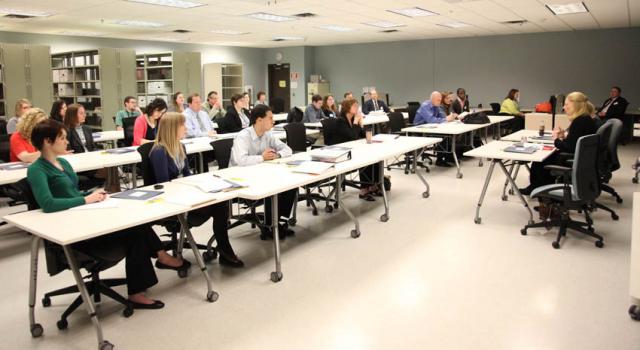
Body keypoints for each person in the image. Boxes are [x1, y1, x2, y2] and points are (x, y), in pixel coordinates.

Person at [27, 119, 188, 309]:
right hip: (70, 230)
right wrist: (85, 200)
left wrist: (93, 195)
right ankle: (139, 289)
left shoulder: (62, 163)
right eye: (62, 138)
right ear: (47, 141)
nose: (67, 141)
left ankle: (161, 256)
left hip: (84, 216)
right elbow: (48, 204)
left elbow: (72, 192)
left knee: (137, 221)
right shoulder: (36, 170)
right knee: (135, 234)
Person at [149, 112, 243, 267]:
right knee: (218, 207)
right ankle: (225, 249)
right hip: (173, 201)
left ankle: (224, 249)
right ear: (173, 128)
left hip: (186, 193)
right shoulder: (159, 151)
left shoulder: (180, 146)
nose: (185, 129)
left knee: (220, 203)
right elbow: (165, 184)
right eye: (182, 125)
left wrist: (200, 184)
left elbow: (186, 174)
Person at [520, 92, 599, 218]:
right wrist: (564, 137)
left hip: (569, 159)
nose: (564, 107)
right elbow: (575, 141)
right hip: (578, 160)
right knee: (542, 160)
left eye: (567, 104)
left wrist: (557, 140)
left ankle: (545, 199)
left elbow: (570, 147)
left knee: (540, 161)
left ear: (576, 105)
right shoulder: (585, 119)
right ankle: (539, 193)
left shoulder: (579, 121)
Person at [229, 105, 296, 239]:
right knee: (274, 186)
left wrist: (277, 155)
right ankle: (269, 226)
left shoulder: (268, 134)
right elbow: (241, 161)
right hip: (240, 178)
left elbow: (288, 149)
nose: (273, 121)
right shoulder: (243, 136)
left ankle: (277, 221)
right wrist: (262, 157)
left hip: (260, 174)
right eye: (270, 118)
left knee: (290, 183)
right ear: (259, 120)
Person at [333, 99, 383, 201]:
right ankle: (364, 190)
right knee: (364, 157)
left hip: (352, 148)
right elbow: (353, 137)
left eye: (357, 106)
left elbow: (362, 134)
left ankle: (374, 185)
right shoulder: (340, 121)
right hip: (341, 151)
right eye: (355, 106)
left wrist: (361, 123)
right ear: (347, 108)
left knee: (375, 156)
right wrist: (356, 121)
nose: (357, 108)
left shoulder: (352, 119)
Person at [414, 92, 457, 167]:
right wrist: (446, 119)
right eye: (438, 100)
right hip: (419, 129)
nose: (440, 102)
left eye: (440, 100)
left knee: (448, 135)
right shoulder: (425, 106)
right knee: (443, 136)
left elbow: (443, 117)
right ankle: (440, 160)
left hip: (430, 128)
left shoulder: (436, 105)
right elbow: (431, 120)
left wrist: (450, 117)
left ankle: (448, 157)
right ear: (432, 99)